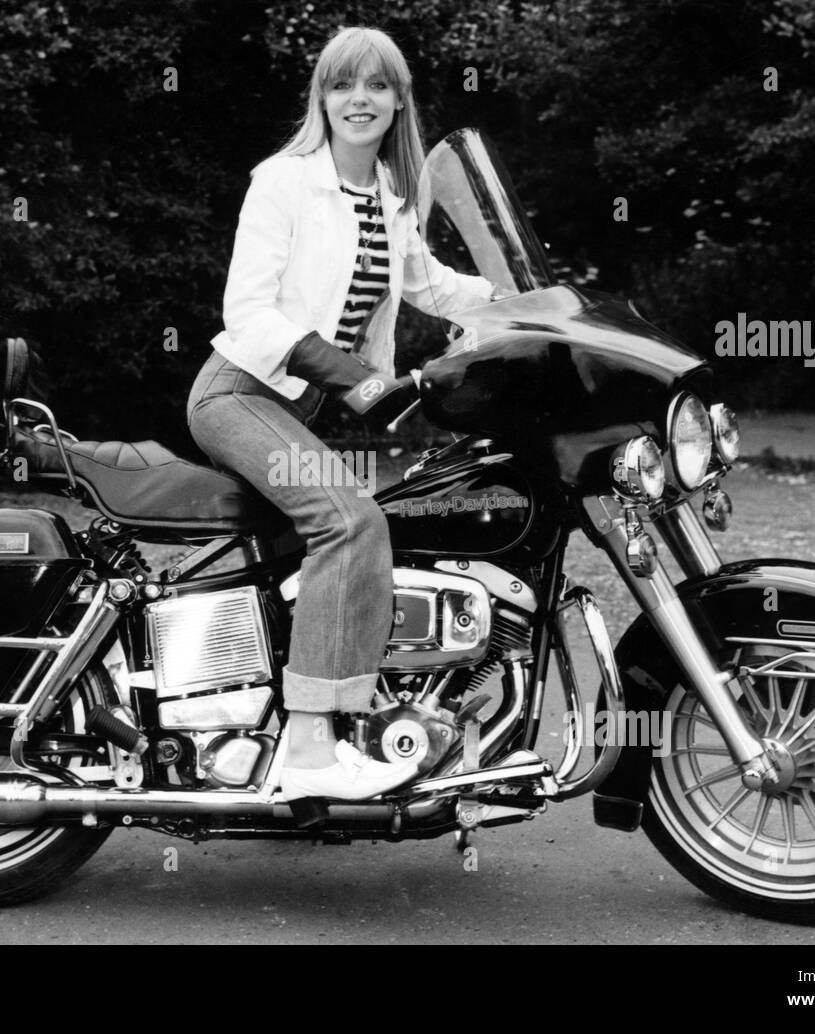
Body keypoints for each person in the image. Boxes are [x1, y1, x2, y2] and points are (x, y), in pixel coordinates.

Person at [186, 25, 511, 824]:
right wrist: (350, 376)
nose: (357, 99)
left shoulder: (392, 196)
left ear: (399, 99)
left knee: (366, 534)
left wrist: (520, 302)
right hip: (239, 393)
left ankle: (299, 728)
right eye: (341, 84)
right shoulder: (285, 182)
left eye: (375, 85)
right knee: (349, 520)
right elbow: (247, 314)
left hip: (300, 410)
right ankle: (306, 747)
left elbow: (426, 283)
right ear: (321, 98)